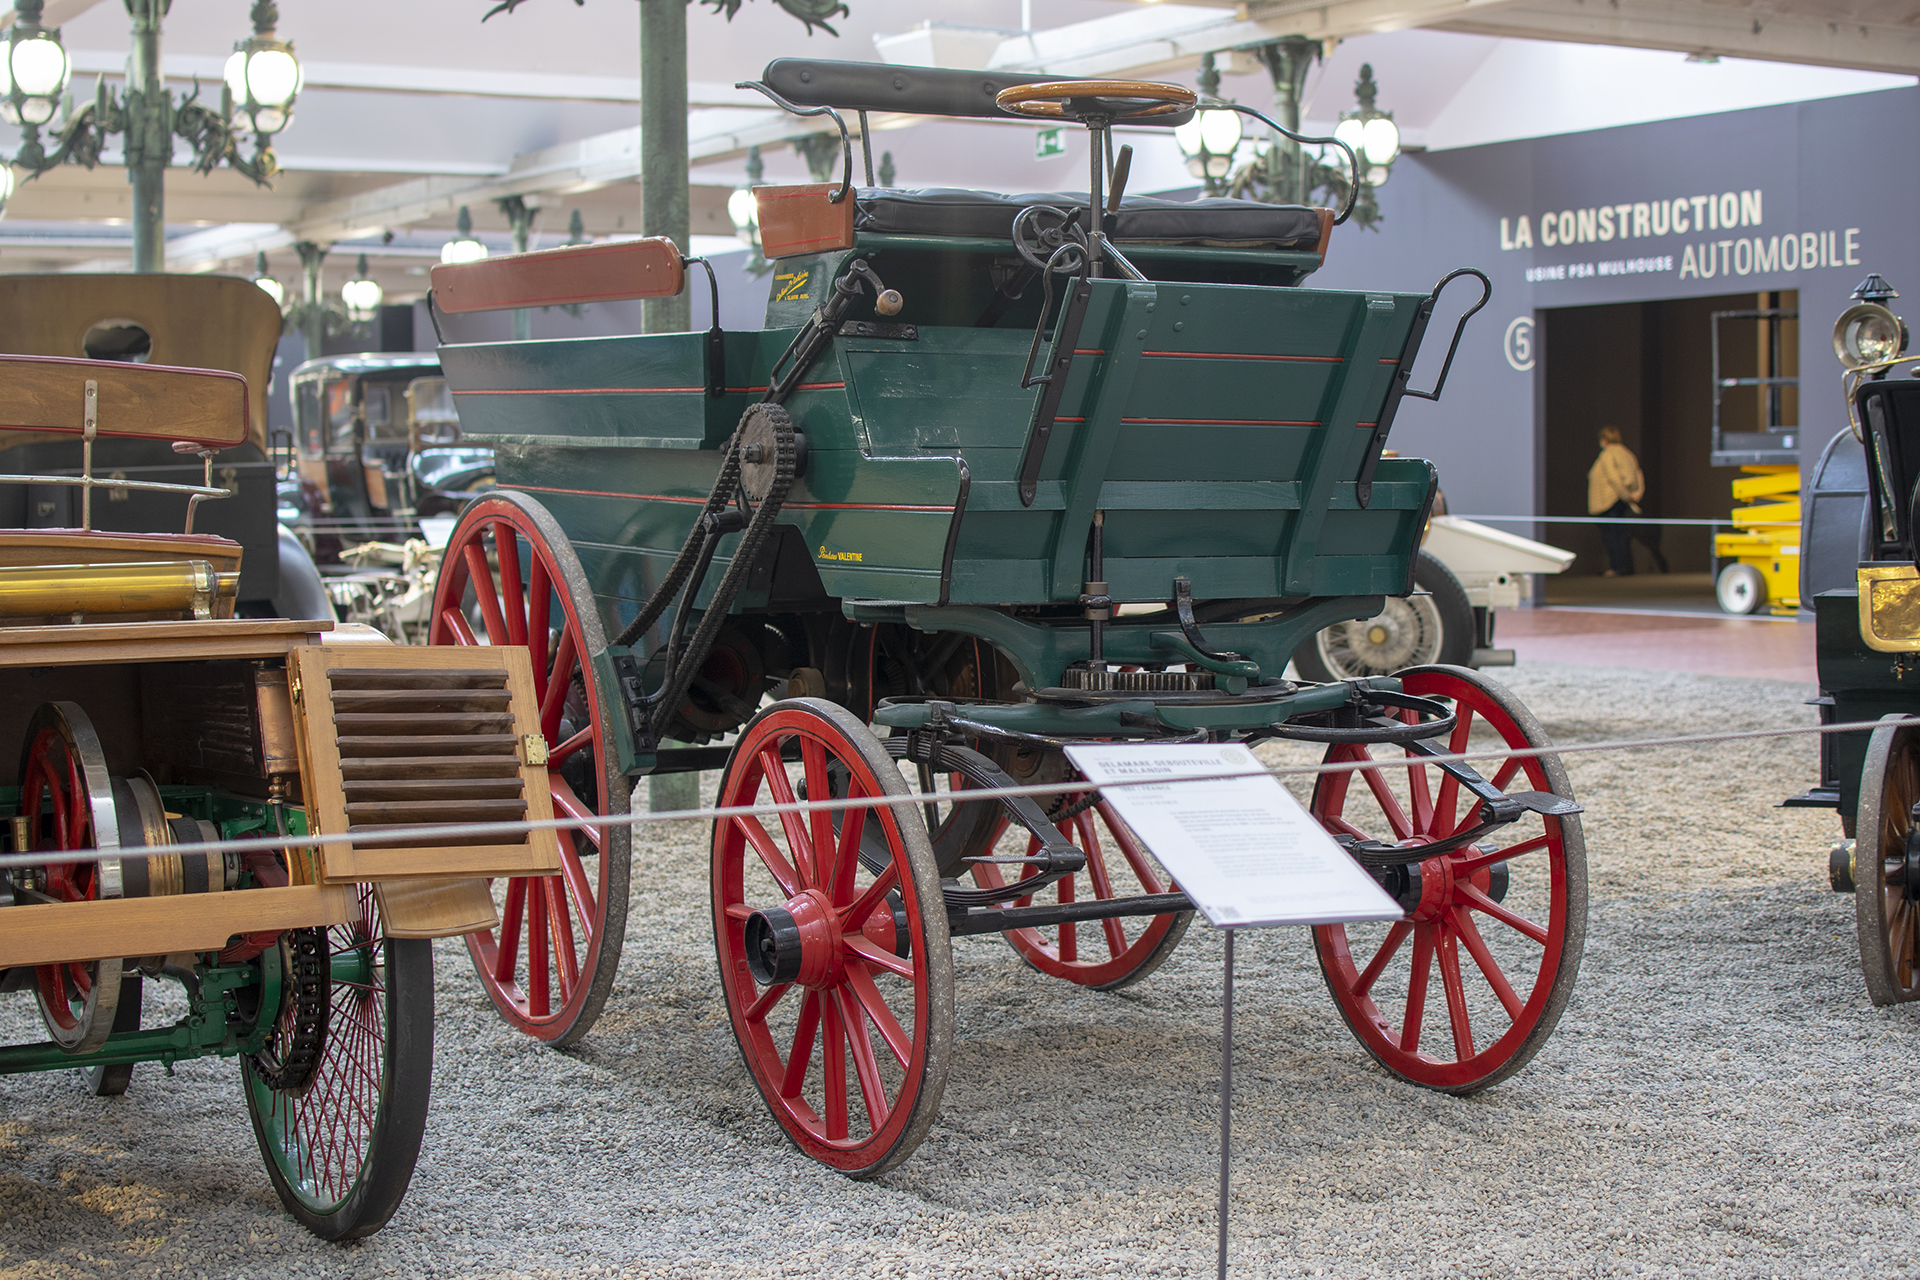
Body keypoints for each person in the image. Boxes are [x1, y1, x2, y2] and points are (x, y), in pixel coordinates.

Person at [1587, 426, 1646, 577]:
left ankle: (1617, 567)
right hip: (1619, 500)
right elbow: (1638, 474)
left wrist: (1626, 496)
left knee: (1613, 536)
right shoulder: (1627, 453)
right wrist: (1633, 496)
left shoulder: (1608, 454)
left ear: (1604, 439)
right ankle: (1621, 566)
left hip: (1610, 501)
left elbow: (1613, 478)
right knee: (1619, 534)